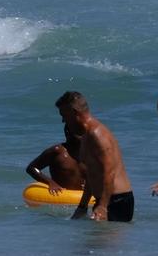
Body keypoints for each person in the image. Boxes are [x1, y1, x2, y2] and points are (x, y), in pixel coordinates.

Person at [57, 91, 134, 221]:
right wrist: (82, 207)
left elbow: (109, 172)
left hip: (117, 200)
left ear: (74, 112)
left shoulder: (97, 134)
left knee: (102, 242)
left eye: (64, 115)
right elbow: (91, 174)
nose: (63, 120)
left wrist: (103, 207)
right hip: (104, 200)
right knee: (91, 241)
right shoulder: (87, 135)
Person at [26, 120, 86, 195]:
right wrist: (50, 182)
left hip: (81, 199)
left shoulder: (90, 153)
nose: (81, 135)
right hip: (60, 198)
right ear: (67, 132)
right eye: (77, 131)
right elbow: (32, 168)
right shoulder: (57, 151)